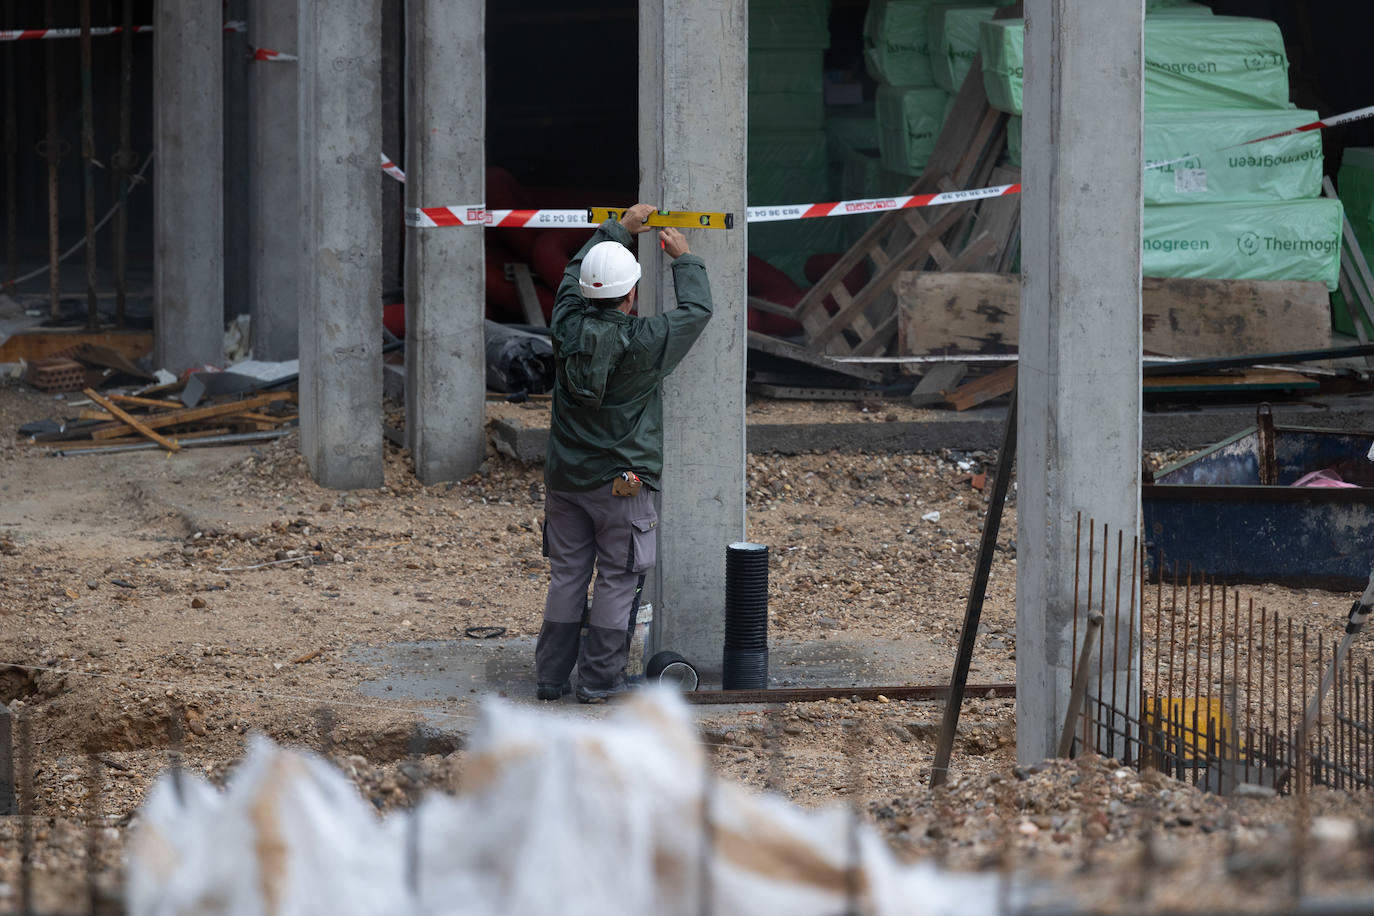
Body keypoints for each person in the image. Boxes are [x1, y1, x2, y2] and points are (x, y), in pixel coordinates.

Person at [535, 203, 713, 703]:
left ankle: (550, 678)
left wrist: (616, 229)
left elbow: (572, 274)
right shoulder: (647, 341)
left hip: (566, 480)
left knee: (568, 575)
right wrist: (685, 258)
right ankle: (598, 682)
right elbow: (697, 312)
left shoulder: (565, 324)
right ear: (632, 295)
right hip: (622, 486)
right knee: (617, 578)